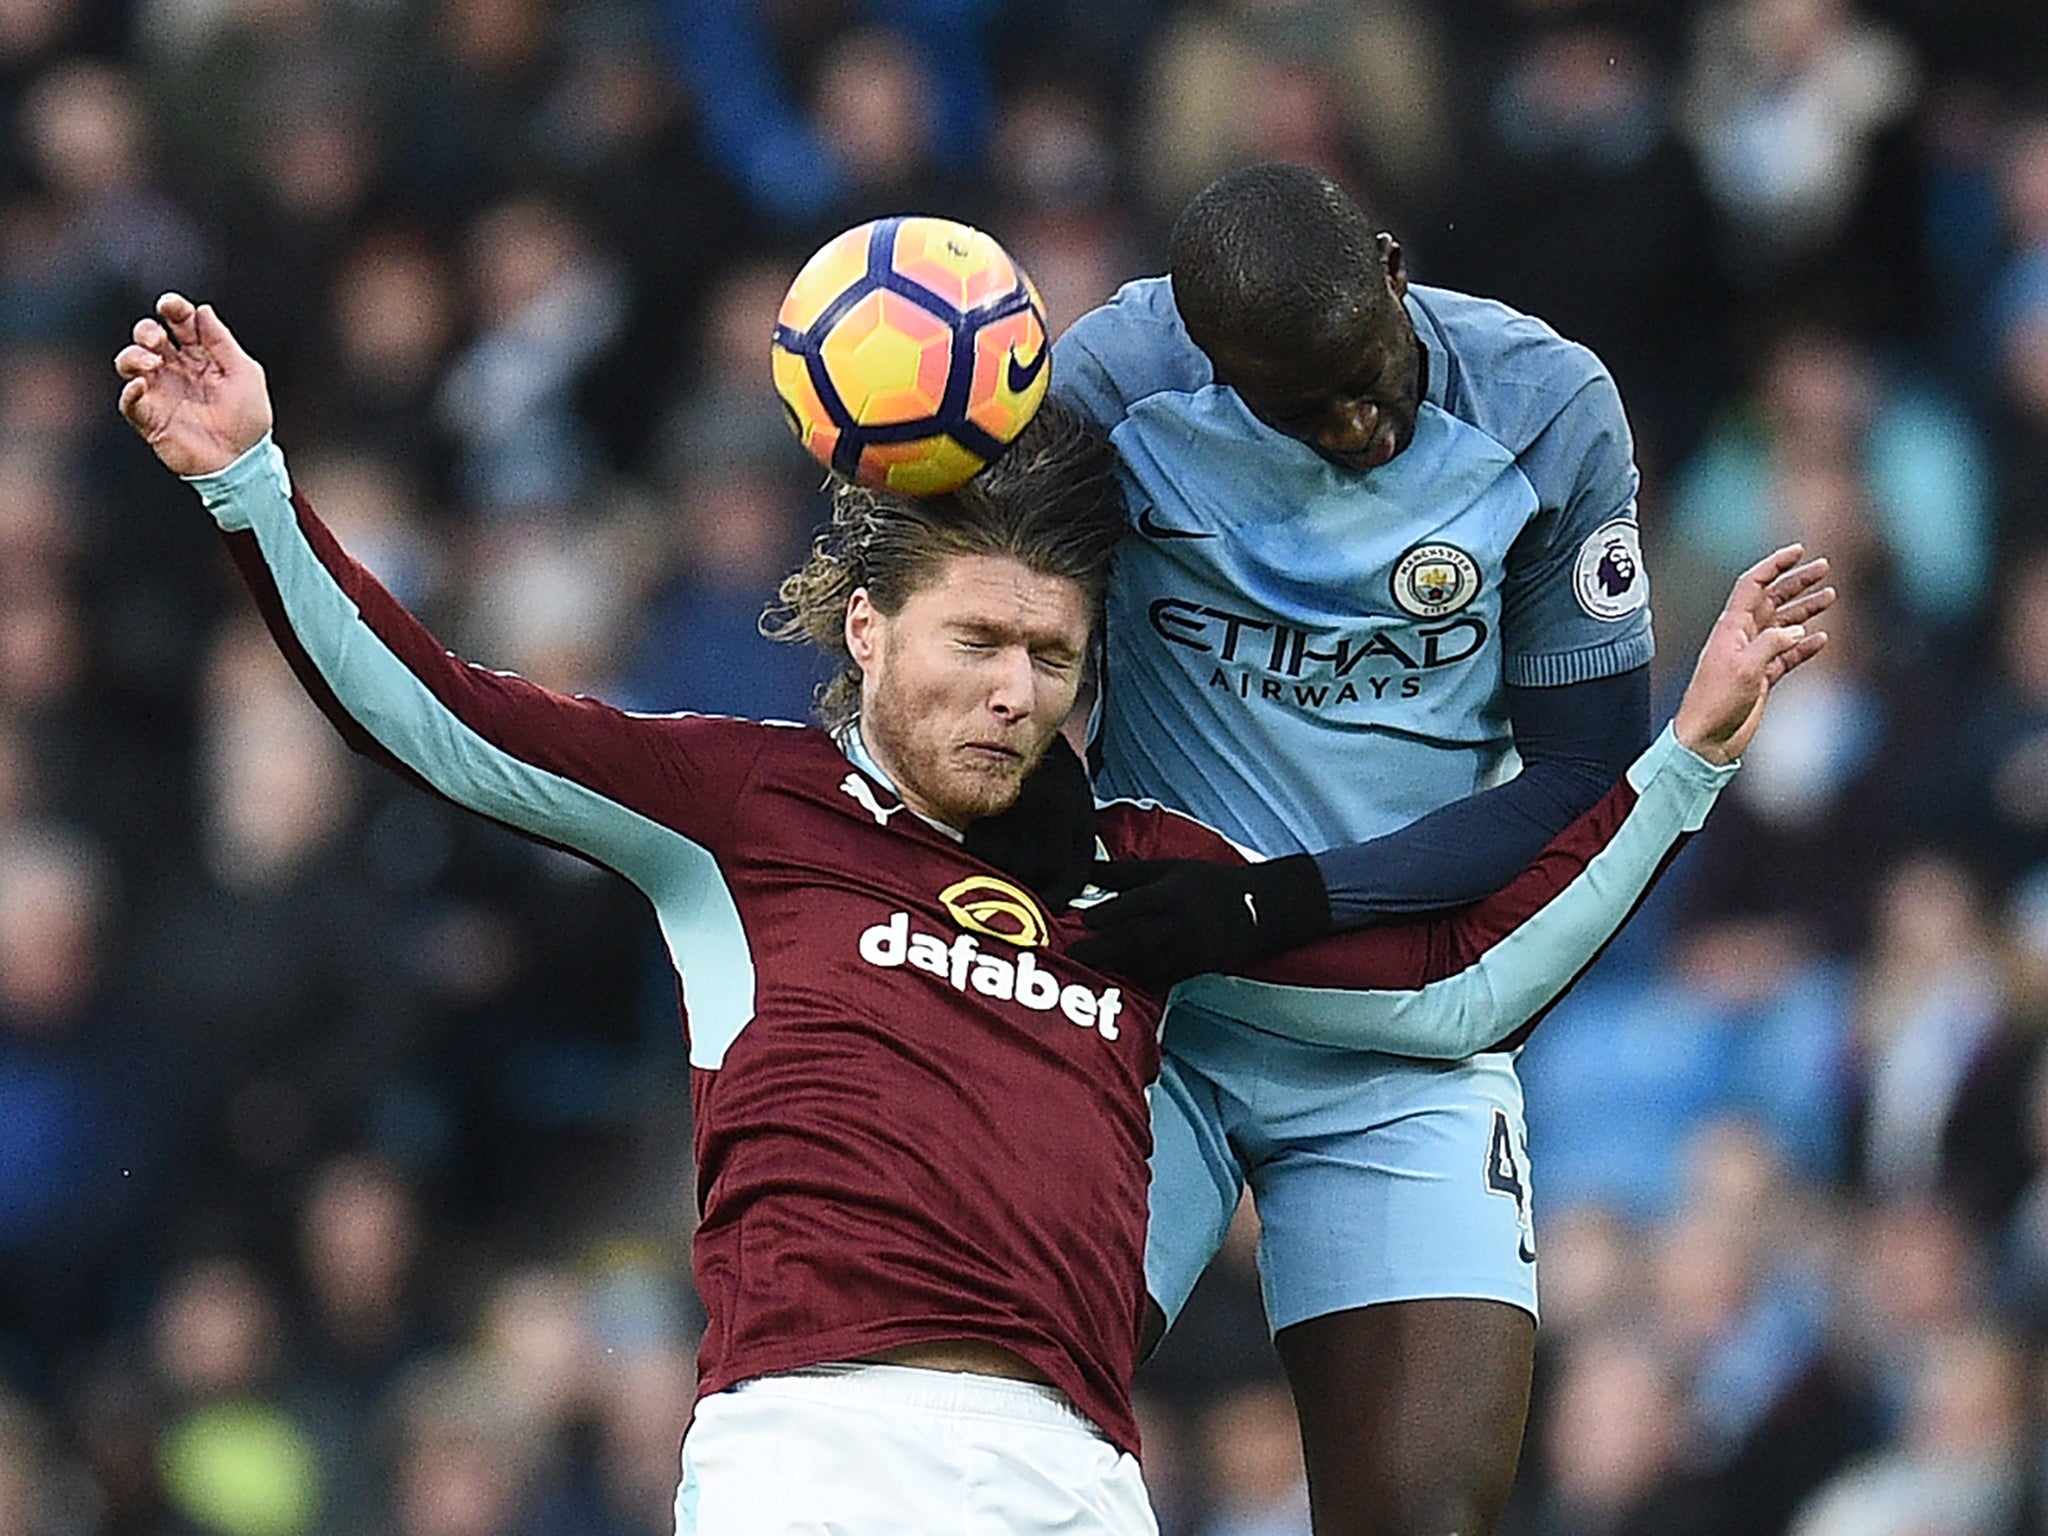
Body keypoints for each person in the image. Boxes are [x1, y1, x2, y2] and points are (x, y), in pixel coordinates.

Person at [115, 292, 1826, 1535]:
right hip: (818, 1459)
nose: (1016, 692)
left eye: (1054, 659)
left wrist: (1689, 754)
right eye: (977, 643)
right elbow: (440, 716)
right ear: (865, 628)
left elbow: (1448, 1002)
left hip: (1082, 1475)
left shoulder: (1138, 887)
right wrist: (251, 484)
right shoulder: (737, 812)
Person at [1046, 161, 1736, 1536]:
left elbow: (1586, 769)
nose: (1359, 423)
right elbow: (1011, 659)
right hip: (1150, 1011)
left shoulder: (1548, 410)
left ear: (1395, 271)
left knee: (1422, 1516)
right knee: (997, 1411)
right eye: (1303, 411)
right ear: (1215, 370)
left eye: (1371, 374)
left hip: (1397, 1033)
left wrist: (1276, 904)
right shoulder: (1112, 391)